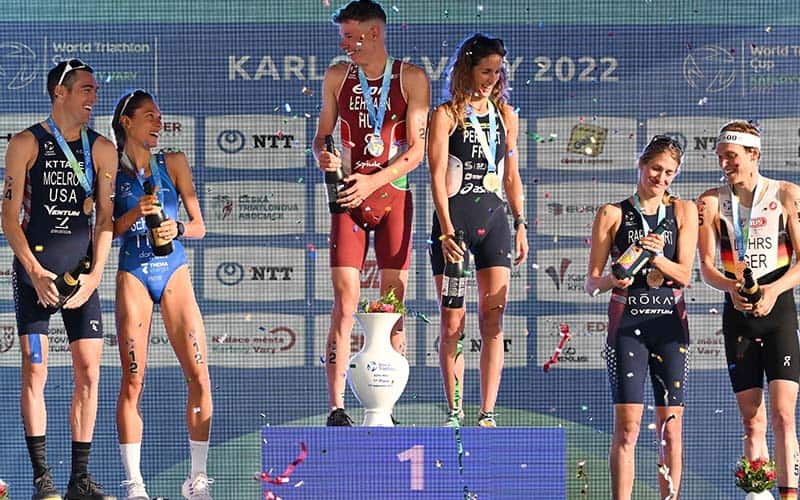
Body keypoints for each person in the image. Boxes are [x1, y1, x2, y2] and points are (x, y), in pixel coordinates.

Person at [2, 59, 117, 500]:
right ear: (60, 93)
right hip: (36, 278)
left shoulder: (103, 149)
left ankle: (79, 480)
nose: (93, 98)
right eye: (85, 90)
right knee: (35, 369)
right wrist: (33, 270)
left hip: (82, 279)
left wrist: (94, 279)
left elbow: (106, 219)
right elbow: (9, 218)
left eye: (95, 90)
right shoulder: (26, 143)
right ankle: (42, 478)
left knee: (89, 373)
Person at [313, 0, 430, 426]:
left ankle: (387, 409)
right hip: (348, 197)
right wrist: (325, 157)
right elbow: (322, 137)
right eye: (342, 36)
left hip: (392, 197)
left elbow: (416, 152)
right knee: (345, 303)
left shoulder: (412, 77)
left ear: (374, 33)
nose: (344, 44)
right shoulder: (337, 75)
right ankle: (336, 406)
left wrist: (373, 181)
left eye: (350, 36)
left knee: (391, 305)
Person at [110, 90, 213, 500]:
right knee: (134, 379)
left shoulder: (173, 162)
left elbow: (199, 224)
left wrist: (179, 229)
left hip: (174, 269)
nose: (158, 123)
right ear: (127, 123)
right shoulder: (108, 169)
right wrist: (136, 213)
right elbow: (106, 228)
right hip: (134, 270)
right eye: (150, 116)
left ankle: (197, 479)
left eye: (160, 117)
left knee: (200, 375)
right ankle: (135, 484)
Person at [586, 136, 697, 499]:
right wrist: (613, 278)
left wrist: (655, 256)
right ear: (641, 165)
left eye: (669, 173)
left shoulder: (683, 211)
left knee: (670, 429)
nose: (661, 178)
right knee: (628, 428)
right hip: (627, 327)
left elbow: (684, 275)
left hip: (669, 325)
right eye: (655, 169)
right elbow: (592, 283)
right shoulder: (612, 213)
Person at [427, 34, 527, 428]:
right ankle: (454, 410)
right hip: (454, 227)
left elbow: (513, 176)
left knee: (493, 319)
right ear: (466, 67)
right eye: (485, 70)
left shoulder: (506, 115)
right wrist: (447, 231)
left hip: (496, 224)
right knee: (453, 321)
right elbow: (436, 177)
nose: (490, 79)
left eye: (497, 72)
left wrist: (520, 224)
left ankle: (487, 413)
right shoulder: (446, 114)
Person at [698, 121, 800, 500]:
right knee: (751, 419)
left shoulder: (787, 194)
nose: (725, 163)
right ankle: (757, 495)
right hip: (736, 312)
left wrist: (773, 290)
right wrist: (729, 287)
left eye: (733, 156)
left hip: (779, 312)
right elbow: (707, 265)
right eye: (721, 156)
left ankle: (789, 494)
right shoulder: (710, 201)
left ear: (754, 154)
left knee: (783, 415)